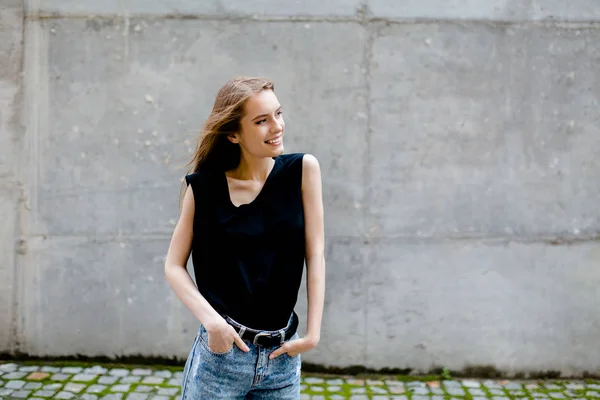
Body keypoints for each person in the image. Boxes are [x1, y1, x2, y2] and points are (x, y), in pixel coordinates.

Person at [164, 76, 326, 399]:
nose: (277, 126)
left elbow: (316, 251)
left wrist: (313, 333)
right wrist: (212, 323)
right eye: (262, 121)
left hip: (281, 361)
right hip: (222, 358)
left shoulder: (303, 171)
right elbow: (173, 265)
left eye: (278, 114)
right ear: (234, 134)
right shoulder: (204, 189)